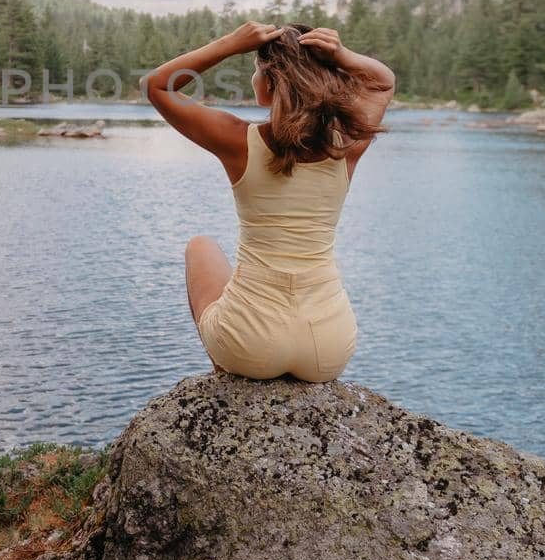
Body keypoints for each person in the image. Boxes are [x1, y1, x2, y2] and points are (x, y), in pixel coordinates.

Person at [144, 21, 395, 381]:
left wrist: (231, 43)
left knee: (201, 246)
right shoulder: (347, 144)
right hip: (328, 347)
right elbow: (383, 81)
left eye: (255, 70)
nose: (252, 78)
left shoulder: (238, 140)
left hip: (249, 345)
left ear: (270, 82)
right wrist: (343, 55)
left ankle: (223, 368)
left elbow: (156, 85)